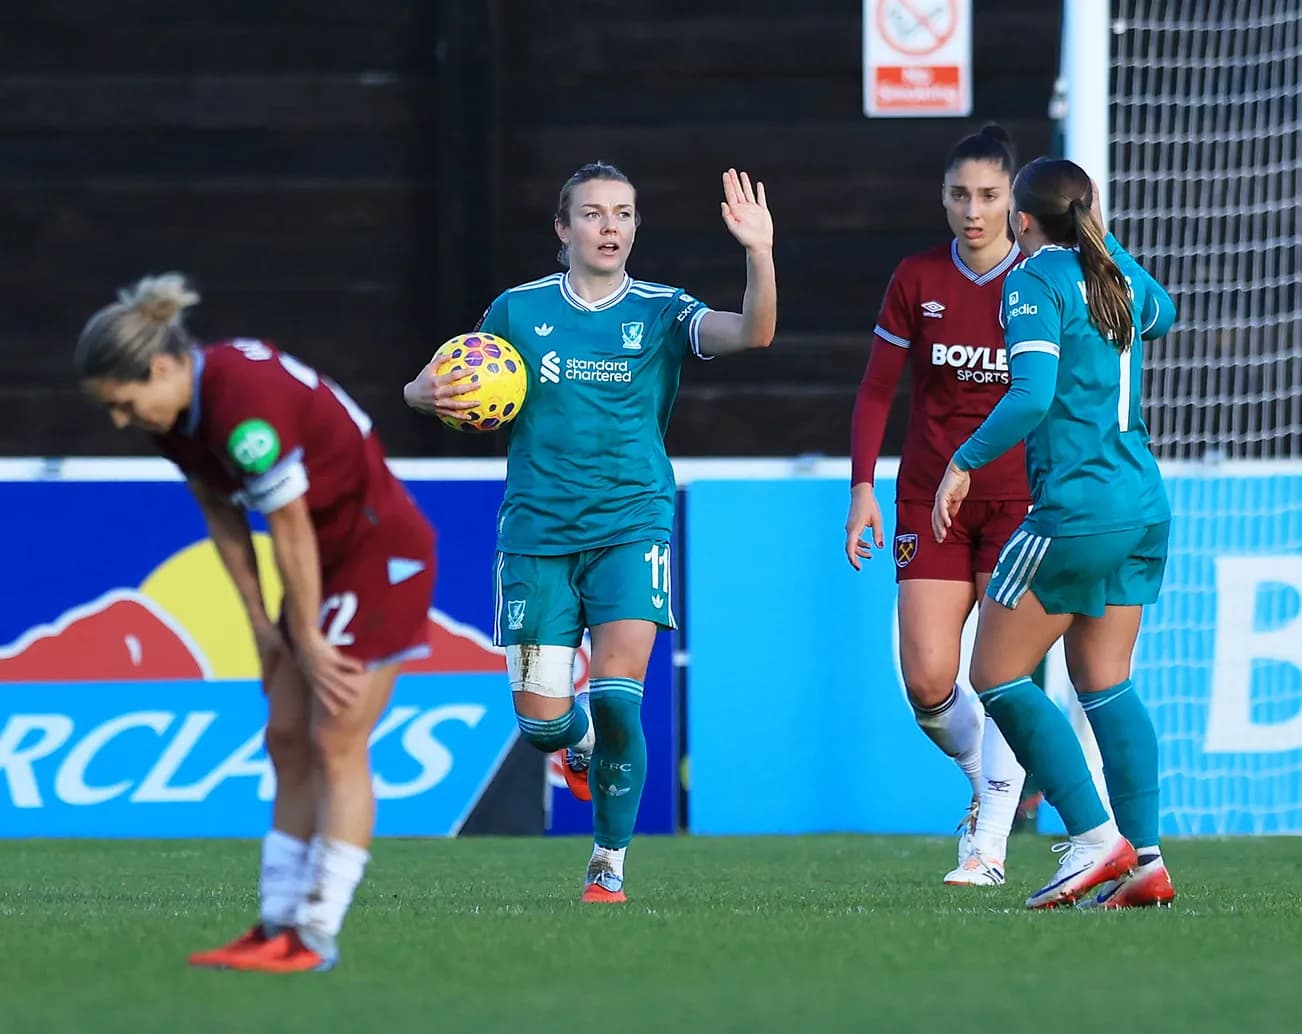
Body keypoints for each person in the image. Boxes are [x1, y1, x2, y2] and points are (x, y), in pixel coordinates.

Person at [405, 162, 775, 902]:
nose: (611, 227)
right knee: (543, 722)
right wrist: (421, 392)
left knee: (616, 695)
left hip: (633, 525)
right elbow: (448, 380)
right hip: (537, 533)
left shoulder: (664, 310)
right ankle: (573, 749)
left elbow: (753, 334)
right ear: (563, 228)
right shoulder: (517, 310)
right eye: (594, 214)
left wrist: (758, 253)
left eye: (625, 213)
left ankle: (608, 861)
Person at [77, 274, 437, 972]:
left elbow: (289, 527)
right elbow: (219, 509)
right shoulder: (177, 413)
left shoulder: (242, 407)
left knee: (336, 739)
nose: (123, 420)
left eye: (124, 404)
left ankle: (315, 934)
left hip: (376, 553)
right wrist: (260, 625)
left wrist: (302, 633)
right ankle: (275, 923)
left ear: (159, 367)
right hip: (323, 566)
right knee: (284, 735)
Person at [932, 158, 1179, 909]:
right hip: (1142, 506)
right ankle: (1148, 863)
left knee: (995, 674)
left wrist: (962, 461)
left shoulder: (1032, 280)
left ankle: (1098, 840)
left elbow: (1032, 395)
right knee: (1105, 682)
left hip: (1075, 511)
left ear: (1023, 220)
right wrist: (1102, 244)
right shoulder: (1118, 277)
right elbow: (1163, 311)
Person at [848, 123, 1031, 886]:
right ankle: (994, 774)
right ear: (943, 197)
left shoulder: (1046, 280)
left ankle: (986, 843)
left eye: (989, 195)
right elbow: (877, 389)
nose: (974, 210)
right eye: (960, 194)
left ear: (1015, 199)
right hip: (930, 497)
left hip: (1022, 499)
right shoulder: (917, 278)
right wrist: (861, 485)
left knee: (1001, 675)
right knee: (927, 680)